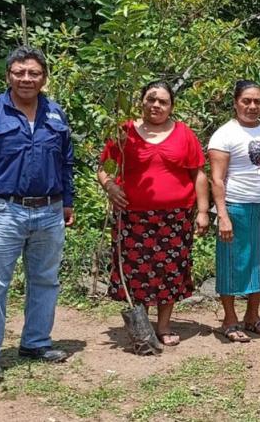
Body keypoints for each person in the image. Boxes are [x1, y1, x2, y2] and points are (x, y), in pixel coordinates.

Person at [0, 46, 74, 383]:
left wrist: (67, 201)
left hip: (49, 210)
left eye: (34, 73)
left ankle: (36, 342)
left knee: (45, 280)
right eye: (20, 72)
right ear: (8, 75)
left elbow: (66, 161)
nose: (26, 79)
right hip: (1, 210)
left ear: (44, 78)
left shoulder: (56, 114)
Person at [97, 81, 208, 347]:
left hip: (175, 217)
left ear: (172, 107)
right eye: (151, 99)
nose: (156, 105)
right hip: (133, 216)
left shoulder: (184, 134)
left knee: (171, 270)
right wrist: (110, 186)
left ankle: (164, 326)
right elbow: (104, 167)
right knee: (137, 271)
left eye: (163, 101)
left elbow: (198, 174)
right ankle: (141, 324)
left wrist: (203, 210)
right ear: (141, 101)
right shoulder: (124, 131)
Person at [208, 80, 260, 342]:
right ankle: (229, 319)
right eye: (246, 101)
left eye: (257, 101)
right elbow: (217, 179)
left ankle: (252, 315)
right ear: (236, 102)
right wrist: (223, 215)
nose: (252, 106)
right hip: (237, 206)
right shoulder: (224, 135)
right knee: (232, 261)